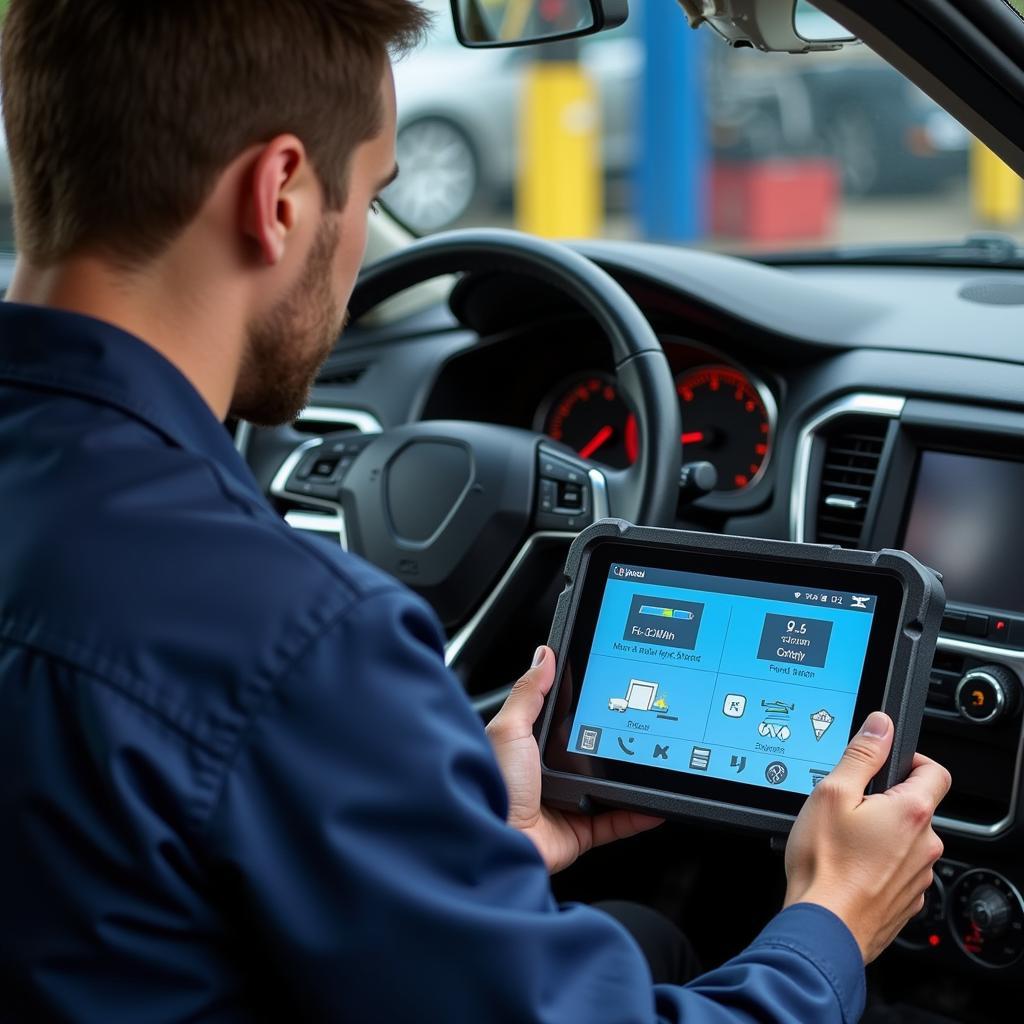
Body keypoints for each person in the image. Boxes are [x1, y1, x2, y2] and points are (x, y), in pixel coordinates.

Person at [0, 2, 950, 1021]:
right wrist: (832, 921)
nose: (361, 246)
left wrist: (444, 830)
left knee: (640, 935)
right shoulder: (299, 640)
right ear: (278, 194)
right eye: (371, 195)